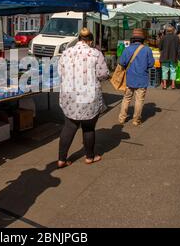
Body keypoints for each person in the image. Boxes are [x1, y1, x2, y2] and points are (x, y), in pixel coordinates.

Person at [57, 28, 109, 168]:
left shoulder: (66, 52)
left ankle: (61, 159)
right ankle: (89, 157)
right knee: (88, 127)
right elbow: (103, 74)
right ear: (90, 40)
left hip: (69, 93)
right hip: (88, 93)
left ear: (79, 39)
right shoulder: (95, 53)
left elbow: (60, 72)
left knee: (69, 125)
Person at [118, 29, 155, 127]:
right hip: (142, 78)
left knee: (126, 98)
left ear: (133, 39)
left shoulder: (127, 49)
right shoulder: (147, 49)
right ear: (142, 39)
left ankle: (122, 118)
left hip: (129, 79)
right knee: (139, 100)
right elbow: (151, 64)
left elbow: (121, 63)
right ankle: (136, 120)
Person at [159, 25, 180, 89]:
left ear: (166, 30)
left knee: (164, 70)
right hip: (173, 56)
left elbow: (160, 47)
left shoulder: (163, 37)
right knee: (173, 70)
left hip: (164, 56)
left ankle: (165, 84)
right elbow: (178, 48)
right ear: (173, 30)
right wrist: (179, 57)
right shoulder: (176, 37)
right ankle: (173, 84)